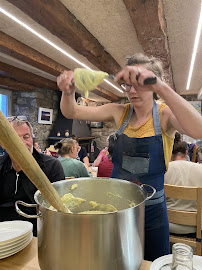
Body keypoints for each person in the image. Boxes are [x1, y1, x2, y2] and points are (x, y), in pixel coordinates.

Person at [57, 53, 202, 261]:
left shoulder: (165, 116)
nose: (132, 91)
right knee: (118, 262)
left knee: (153, 263)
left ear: (154, 84)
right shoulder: (120, 113)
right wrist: (68, 92)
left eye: (139, 83)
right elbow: (72, 112)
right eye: (128, 84)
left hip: (153, 214)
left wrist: (161, 87)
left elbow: (198, 129)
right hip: (119, 211)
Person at [0, 116, 65, 236]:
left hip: (38, 231)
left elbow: (57, 210)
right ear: (3, 144)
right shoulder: (1, 165)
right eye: (14, 138)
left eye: (26, 137)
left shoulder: (52, 166)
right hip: (4, 231)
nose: (22, 143)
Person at [165, 141, 202, 235]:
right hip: (195, 226)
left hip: (169, 224)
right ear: (186, 153)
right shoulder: (200, 169)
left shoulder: (164, 171)